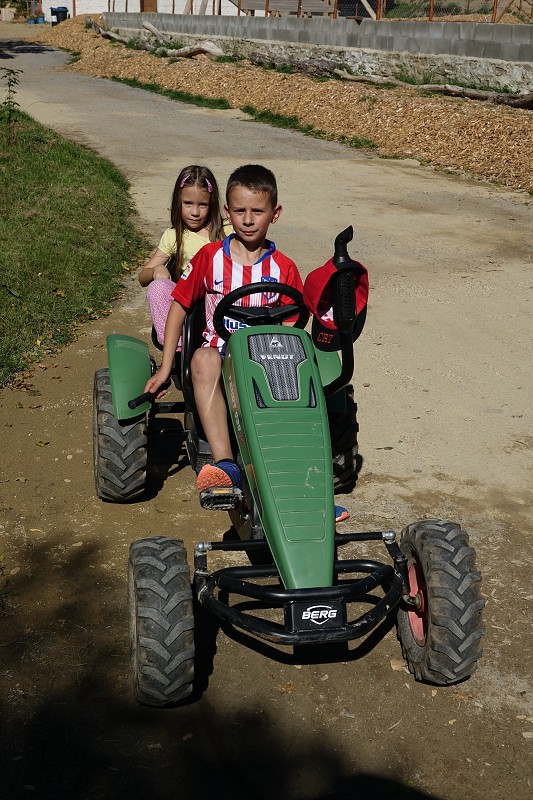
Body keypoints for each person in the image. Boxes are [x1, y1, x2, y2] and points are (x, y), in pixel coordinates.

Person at [144, 163, 303, 497]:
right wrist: (167, 367)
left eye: (257, 211)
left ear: (275, 214)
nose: (248, 219)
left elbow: (294, 324)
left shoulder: (284, 267)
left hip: (266, 356)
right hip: (218, 352)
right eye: (240, 211)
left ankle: (300, 475)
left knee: (301, 367)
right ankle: (225, 464)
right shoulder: (209, 256)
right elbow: (179, 307)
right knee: (202, 359)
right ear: (228, 212)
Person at [138, 165, 231, 345]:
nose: (195, 212)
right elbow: (143, 277)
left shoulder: (228, 230)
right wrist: (156, 270)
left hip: (224, 301)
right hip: (190, 307)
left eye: (202, 205)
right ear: (178, 201)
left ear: (211, 204)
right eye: (188, 203)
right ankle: (176, 346)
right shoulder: (174, 236)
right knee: (157, 288)